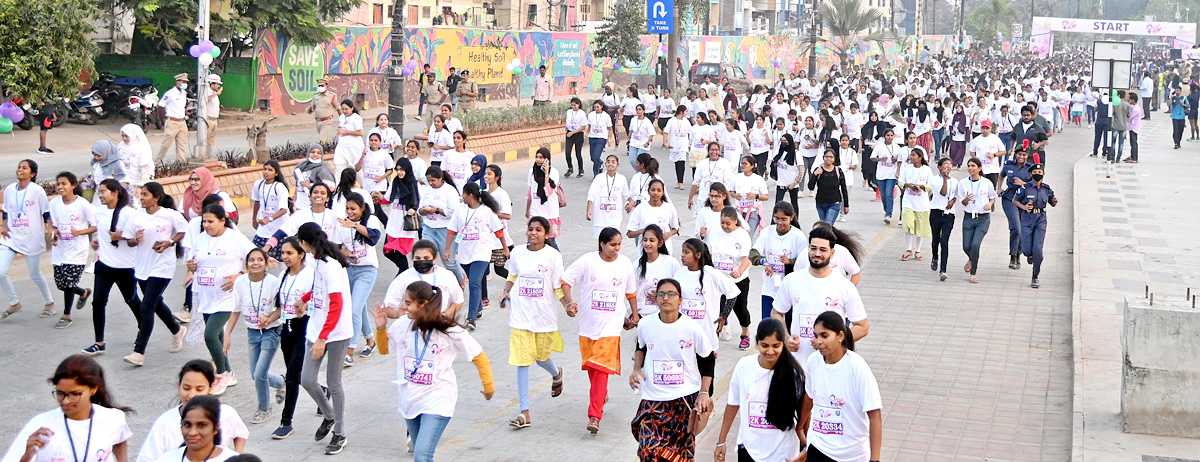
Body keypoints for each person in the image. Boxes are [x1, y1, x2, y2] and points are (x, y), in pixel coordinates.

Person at [372, 281, 495, 462]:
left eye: (408, 303)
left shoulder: (449, 330)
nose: (403, 307)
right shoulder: (403, 324)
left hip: (438, 398)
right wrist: (381, 328)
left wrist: (489, 386)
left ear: (423, 304)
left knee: (422, 455)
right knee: (420, 455)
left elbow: (478, 355)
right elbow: (384, 350)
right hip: (410, 398)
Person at [629, 278, 716, 462]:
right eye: (661, 294)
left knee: (679, 455)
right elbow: (641, 346)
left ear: (680, 299)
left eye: (671, 294)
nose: (665, 298)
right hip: (653, 399)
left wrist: (704, 392)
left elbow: (707, 360)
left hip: (683, 400)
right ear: (656, 299)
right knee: (648, 449)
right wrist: (637, 369)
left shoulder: (692, 327)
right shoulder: (645, 324)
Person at [561, 227, 636, 434]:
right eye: (613, 245)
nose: (617, 249)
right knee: (593, 368)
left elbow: (631, 293)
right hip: (587, 325)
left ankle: (595, 416)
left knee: (601, 370)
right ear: (602, 244)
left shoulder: (625, 264)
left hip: (611, 326)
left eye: (619, 244)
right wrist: (569, 302)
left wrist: (635, 315)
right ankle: (600, 394)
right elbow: (566, 281)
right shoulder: (587, 261)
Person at [499, 216, 570, 428]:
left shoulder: (553, 256)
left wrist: (568, 305)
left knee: (541, 358)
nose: (533, 233)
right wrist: (505, 292)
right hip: (520, 316)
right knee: (522, 362)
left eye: (539, 230)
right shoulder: (518, 252)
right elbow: (512, 276)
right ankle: (524, 412)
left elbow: (559, 286)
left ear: (546, 234)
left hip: (544, 316)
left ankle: (556, 373)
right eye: (530, 229)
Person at [770, 225, 869, 372]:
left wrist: (834, 343)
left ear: (832, 253)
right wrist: (786, 338)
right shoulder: (792, 280)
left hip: (831, 368)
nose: (817, 253)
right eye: (813, 248)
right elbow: (776, 313)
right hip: (798, 367)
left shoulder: (844, 286)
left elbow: (862, 327)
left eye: (823, 250)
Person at [3, 355, 132, 462]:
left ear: (93, 389)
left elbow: (120, 440)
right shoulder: (40, 426)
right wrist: (27, 457)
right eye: (60, 393)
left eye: (74, 394)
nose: (65, 401)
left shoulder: (113, 418)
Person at [294, 222, 352, 454]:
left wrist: (323, 339)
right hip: (317, 328)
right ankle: (329, 415)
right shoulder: (316, 260)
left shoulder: (331, 266)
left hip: (336, 333)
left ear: (305, 243)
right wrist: (305, 298)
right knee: (307, 379)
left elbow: (336, 305)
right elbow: (320, 290)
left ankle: (339, 432)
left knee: (334, 382)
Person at [713, 318, 805, 462]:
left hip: (783, 454)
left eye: (776, 346)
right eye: (764, 345)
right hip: (749, 451)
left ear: (783, 344)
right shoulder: (744, 366)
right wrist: (721, 441)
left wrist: (806, 449)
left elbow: (805, 412)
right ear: (757, 342)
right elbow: (733, 404)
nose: (770, 351)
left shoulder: (793, 373)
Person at [186, 204, 255, 393]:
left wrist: (239, 274)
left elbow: (257, 258)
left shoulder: (234, 238)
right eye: (204, 221)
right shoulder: (200, 239)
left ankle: (222, 374)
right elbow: (194, 263)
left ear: (222, 221)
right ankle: (230, 373)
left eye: (210, 221)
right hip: (207, 295)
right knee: (217, 336)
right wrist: (191, 267)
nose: (206, 225)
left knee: (210, 335)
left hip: (228, 297)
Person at [802, 312, 883, 462]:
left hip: (852, 456)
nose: (818, 341)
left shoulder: (857, 367)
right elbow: (809, 398)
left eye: (824, 335)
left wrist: (875, 459)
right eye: (816, 335)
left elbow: (875, 415)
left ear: (840, 336)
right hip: (819, 449)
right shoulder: (813, 362)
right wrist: (800, 426)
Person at [121, 182, 188, 366]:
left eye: (145, 195)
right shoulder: (136, 217)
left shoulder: (169, 215)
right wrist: (135, 239)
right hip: (143, 267)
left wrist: (170, 242)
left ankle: (139, 352)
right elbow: (129, 242)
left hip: (163, 266)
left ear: (156, 197)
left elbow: (184, 230)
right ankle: (177, 330)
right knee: (156, 303)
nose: (141, 198)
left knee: (147, 305)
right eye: (140, 195)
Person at [138, 360, 249, 462]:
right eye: (186, 388)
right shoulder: (165, 424)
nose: (191, 395)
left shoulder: (226, 413)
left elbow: (240, 432)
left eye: (199, 389)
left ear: (211, 388)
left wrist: (237, 456)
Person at [224, 248, 285, 424]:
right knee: (255, 373)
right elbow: (235, 310)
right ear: (247, 264)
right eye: (252, 260)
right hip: (252, 332)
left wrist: (269, 318)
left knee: (259, 374)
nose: (255, 263)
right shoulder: (241, 282)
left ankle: (265, 409)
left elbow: (282, 308)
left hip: (271, 332)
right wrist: (227, 334)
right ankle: (281, 381)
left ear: (266, 263)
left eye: (260, 259)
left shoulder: (274, 282)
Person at [81, 179, 140, 354]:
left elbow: (137, 239)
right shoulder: (99, 212)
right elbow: (101, 234)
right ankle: (99, 342)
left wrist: (120, 237)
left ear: (115, 193)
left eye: (103, 192)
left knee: (132, 300)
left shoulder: (129, 213)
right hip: (104, 265)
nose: (100, 195)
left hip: (126, 267)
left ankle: (143, 327)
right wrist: (97, 243)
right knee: (98, 302)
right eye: (99, 192)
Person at [445, 183, 508, 330]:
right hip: (465, 253)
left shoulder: (487, 211)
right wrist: (447, 249)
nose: (462, 196)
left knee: (473, 282)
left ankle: (471, 317)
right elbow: (452, 230)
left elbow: (499, 231)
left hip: (482, 252)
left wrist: (505, 248)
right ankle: (478, 307)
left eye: (464, 194)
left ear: (470, 195)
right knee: (474, 281)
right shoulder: (460, 210)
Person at [270, 238, 314, 439]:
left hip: (303, 328)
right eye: (283, 253)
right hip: (285, 330)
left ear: (301, 254)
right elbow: (280, 306)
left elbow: (320, 299)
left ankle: (286, 422)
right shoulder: (283, 276)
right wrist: (268, 319)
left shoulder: (311, 274)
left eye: (289, 253)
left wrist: (306, 305)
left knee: (292, 376)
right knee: (297, 374)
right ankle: (323, 392)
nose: (285, 257)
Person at [331, 194, 382, 367]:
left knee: (353, 310)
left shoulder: (371, 220)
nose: (349, 212)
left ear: (362, 208)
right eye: (347, 208)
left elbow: (374, 238)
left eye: (353, 209)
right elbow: (338, 246)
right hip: (349, 270)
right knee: (358, 308)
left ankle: (349, 351)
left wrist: (354, 225)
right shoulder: (342, 225)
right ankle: (370, 341)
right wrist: (344, 253)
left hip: (367, 270)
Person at [47, 172, 97, 329]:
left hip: (77, 251)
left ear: (73, 186)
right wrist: (53, 235)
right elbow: (52, 224)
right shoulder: (54, 204)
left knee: (68, 284)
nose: (60, 187)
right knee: (60, 284)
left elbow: (95, 226)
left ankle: (66, 316)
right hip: (60, 250)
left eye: (64, 184)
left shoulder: (83, 204)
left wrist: (80, 233)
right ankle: (83, 292)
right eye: (59, 184)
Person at [704, 208, 753, 349]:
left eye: (728, 223)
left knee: (740, 308)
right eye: (722, 223)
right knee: (716, 309)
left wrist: (739, 271)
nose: (724, 226)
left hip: (738, 280)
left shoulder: (742, 235)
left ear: (736, 222)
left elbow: (746, 259)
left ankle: (745, 333)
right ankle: (714, 341)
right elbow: (709, 255)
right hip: (719, 279)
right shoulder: (714, 233)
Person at [381, 239, 465, 320]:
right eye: (418, 258)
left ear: (434, 259)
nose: (422, 261)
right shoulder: (403, 277)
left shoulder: (447, 276)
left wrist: (443, 315)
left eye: (426, 258)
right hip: (411, 324)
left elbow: (458, 302)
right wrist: (397, 314)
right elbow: (387, 307)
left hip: (438, 323)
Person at [150, 396, 240, 462]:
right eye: (187, 425)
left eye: (201, 425)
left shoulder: (231, 459)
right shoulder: (167, 459)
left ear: (216, 427)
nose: (192, 433)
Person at [1015, 162, 1057, 289]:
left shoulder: (1046, 188)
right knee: (1027, 249)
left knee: (1038, 249)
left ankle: (1035, 275)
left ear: (1043, 174)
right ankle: (1029, 255)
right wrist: (1024, 207)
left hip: (1041, 219)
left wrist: (1054, 201)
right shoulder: (1025, 188)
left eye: (1040, 173)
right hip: (1027, 219)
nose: (1037, 175)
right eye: (1035, 173)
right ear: (1031, 174)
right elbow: (1015, 200)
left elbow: (1052, 201)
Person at [419, 166, 465, 283]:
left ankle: (460, 279)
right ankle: (428, 283)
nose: (430, 183)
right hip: (428, 228)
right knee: (426, 255)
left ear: (440, 178)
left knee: (448, 262)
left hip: (445, 230)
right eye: (428, 180)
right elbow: (419, 208)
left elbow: (455, 212)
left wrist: (438, 210)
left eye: (433, 180)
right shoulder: (427, 190)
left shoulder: (449, 191)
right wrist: (423, 211)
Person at [956, 158, 997, 284]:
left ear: (979, 168)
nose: (970, 168)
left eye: (973, 166)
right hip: (969, 217)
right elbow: (962, 202)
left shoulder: (986, 182)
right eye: (968, 166)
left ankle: (973, 273)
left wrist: (990, 205)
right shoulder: (963, 183)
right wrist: (967, 200)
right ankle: (971, 258)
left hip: (983, 218)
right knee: (966, 246)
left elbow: (992, 197)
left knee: (975, 245)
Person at [378, 158, 421, 276]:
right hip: (393, 224)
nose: (400, 172)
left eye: (402, 169)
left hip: (405, 226)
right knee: (387, 252)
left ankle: (403, 274)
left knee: (400, 253)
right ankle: (405, 272)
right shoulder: (395, 182)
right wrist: (378, 195)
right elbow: (387, 200)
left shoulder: (413, 183)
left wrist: (413, 208)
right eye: (398, 170)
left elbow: (419, 200)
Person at [249, 161, 290, 262]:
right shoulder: (258, 185)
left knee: (279, 262)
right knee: (258, 257)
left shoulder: (279, 187)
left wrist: (269, 219)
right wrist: (254, 219)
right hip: (263, 230)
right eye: (265, 169)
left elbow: (284, 209)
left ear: (276, 173)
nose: (266, 172)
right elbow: (257, 202)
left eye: (270, 170)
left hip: (279, 229)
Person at [626, 179, 682, 253]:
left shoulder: (669, 208)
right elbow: (629, 233)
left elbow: (675, 228)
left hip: (664, 249)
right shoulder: (640, 208)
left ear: (663, 193)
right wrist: (642, 231)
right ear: (648, 191)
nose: (655, 193)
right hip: (646, 251)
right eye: (653, 190)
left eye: (659, 190)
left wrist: (668, 234)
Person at [999, 145, 1031, 270]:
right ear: (1015, 154)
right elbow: (1001, 175)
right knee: (1016, 228)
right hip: (1010, 199)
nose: (1021, 157)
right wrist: (999, 188)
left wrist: (1023, 183)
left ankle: (1018, 253)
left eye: (1024, 154)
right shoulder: (1009, 165)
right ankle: (1013, 255)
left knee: (1023, 230)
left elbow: (1036, 184)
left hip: (1024, 200)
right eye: (1019, 154)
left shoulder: (1030, 168)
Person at [898, 146, 932, 261]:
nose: (910, 157)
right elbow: (900, 182)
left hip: (922, 203)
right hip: (908, 202)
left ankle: (917, 250)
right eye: (910, 155)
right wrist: (908, 185)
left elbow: (931, 186)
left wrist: (921, 187)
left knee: (920, 228)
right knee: (907, 225)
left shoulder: (927, 170)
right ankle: (908, 249)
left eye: (913, 155)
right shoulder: (906, 168)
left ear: (920, 157)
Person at [929, 157, 959, 281]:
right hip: (936, 211)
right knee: (935, 239)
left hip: (949, 214)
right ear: (940, 167)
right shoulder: (934, 180)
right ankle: (935, 256)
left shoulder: (956, 181)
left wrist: (953, 201)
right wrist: (945, 179)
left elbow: (956, 194)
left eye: (950, 164)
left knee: (944, 241)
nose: (948, 167)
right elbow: (943, 192)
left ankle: (943, 270)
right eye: (945, 164)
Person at [586, 155, 629, 238]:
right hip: (600, 216)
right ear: (605, 164)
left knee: (613, 240)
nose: (610, 164)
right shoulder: (599, 178)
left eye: (613, 162)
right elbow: (592, 194)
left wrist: (630, 203)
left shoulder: (621, 179)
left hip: (615, 216)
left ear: (617, 164)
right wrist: (588, 210)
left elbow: (627, 195)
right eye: (608, 162)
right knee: (601, 240)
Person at [689, 142, 735, 211]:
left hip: (718, 198)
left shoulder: (725, 163)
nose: (714, 152)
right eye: (712, 150)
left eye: (716, 150)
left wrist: (725, 198)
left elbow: (727, 183)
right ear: (708, 151)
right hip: (703, 196)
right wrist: (690, 198)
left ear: (719, 151)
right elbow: (696, 182)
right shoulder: (702, 163)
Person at [808, 149, 850, 224]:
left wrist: (846, 205)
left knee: (828, 224)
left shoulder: (838, 171)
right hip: (820, 203)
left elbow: (844, 189)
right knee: (824, 226)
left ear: (834, 159)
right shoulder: (818, 170)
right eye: (826, 157)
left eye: (831, 157)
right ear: (823, 157)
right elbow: (810, 187)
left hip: (834, 203)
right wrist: (815, 175)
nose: (828, 159)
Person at [870, 130, 902, 224]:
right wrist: (881, 159)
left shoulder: (897, 147)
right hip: (881, 174)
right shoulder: (879, 146)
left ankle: (889, 213)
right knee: (883, 195)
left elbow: (901, 160)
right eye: (888, 135)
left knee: (889, 194)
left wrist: (896, 161)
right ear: (884, 136)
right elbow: (872, 158)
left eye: (892, 135)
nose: (890, 137)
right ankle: (886, 209)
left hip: (891, 174)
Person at [157, 73, 190, 162]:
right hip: (172, 122)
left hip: (182, 122)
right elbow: (160, 106)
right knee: (165, 145)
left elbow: (180, 107)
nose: (185, 83)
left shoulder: (184, 93)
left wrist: (186, 113)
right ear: (177, 82)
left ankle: (180, 164)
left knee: (181, 146)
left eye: (186, 82)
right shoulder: (170, 93)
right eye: (183, 81)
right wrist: (162, 120)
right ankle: (157, 163)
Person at [293, 144, 336, 211]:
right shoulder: (302, 166)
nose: (315, 154)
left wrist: (310, 185)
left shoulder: (324, 168)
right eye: (313, 152)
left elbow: (331, 187)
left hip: (314, 205)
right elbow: (298, 184)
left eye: (319, 153)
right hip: (300, 204)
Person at [969, 120, 1004, 187]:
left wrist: (994, 155)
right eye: (983, 128)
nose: (985, 130)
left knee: (992, 188)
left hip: (993, 169)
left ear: (990, 128)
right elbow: (971, 151)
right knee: (980, 187)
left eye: (987, 128)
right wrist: (976, 159)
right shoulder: (976, 140)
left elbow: (1003, 151)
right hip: (981, 169)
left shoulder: (995, 139)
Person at [333, 100, 365, 175]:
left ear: (352, 108)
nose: (344, 111)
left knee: (356, 169)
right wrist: (337, 134)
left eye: (346, 109)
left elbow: (360, 133)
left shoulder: (356, 118)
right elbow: (341, 127)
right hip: (342, 146)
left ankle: (363, 185)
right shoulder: (341, 117)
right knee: (339, 167)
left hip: (353, 147)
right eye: (342, 109)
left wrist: (346, 132)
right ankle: (338, 185)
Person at [118, 124, 155, 188]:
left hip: (135, 182)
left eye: (126, 136)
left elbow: (143, 169)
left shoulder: (141, 148)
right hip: (122, 182)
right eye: (122, 136)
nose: (124, 138)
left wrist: (140, 184)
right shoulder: (121, 146)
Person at [308, 77, 339, 144]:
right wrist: (310, 110)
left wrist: (343, 120)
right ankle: (326, 151)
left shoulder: (332, 96)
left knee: (322, 140)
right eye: (319, 86)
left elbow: (338, 109)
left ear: (326, 86)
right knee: (324, 139)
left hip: (327, 121)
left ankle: (320, 150)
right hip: (318, 121)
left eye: (322, 85)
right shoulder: (315, 96)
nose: (320, 87)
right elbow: (311, 108)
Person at [564, 98, 588, 177]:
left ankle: (581, 170)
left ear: (579, 105)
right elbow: (567, 121)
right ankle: (570, 168)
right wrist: (567, 129)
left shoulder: (581, 113)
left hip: (578, 134)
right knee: (567, 152)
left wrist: (573, 132)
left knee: (578, 153)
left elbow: (583, 127)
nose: (573, 107)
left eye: (575, 105)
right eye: (572, 105)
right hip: (569, 133)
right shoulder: (569, 112)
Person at [200, 74, 223, 159]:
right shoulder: (207, 92)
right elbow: (205, 100)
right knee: (206, 139)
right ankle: (203, 156)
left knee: (211, 140)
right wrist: (216, 94)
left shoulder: (213, 93)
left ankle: (208, 155)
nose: (218, 86)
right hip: (208, 119)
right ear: (211, 84)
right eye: (217, 84)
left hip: (214, 120)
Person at [1125, 93, 1142, 163]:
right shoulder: (1133, 107)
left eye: (1130, 99)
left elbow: (1130, 117)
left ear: (1133, 100)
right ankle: (1132, 156)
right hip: (1132, 127)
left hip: (1134, 127)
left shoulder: (1136, 109)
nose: (1128, 100)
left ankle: (1134, 157)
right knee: (1132, 143)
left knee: (1134, 143)